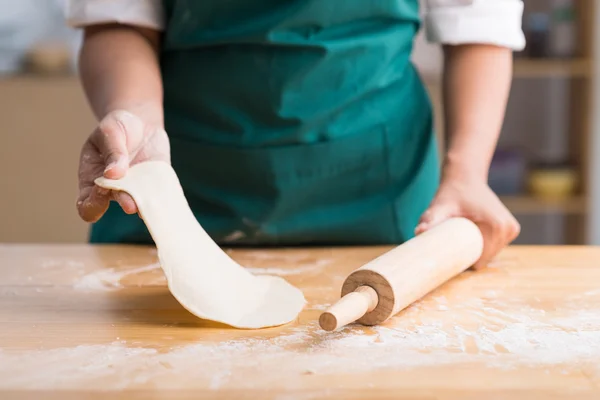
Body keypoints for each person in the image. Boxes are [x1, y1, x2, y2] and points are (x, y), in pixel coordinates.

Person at [67, 0, 523, 269]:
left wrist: (467, 172)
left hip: (379, 184)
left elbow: (477, 22)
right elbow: (118, 18)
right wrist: (137, 115)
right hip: (178, 178)